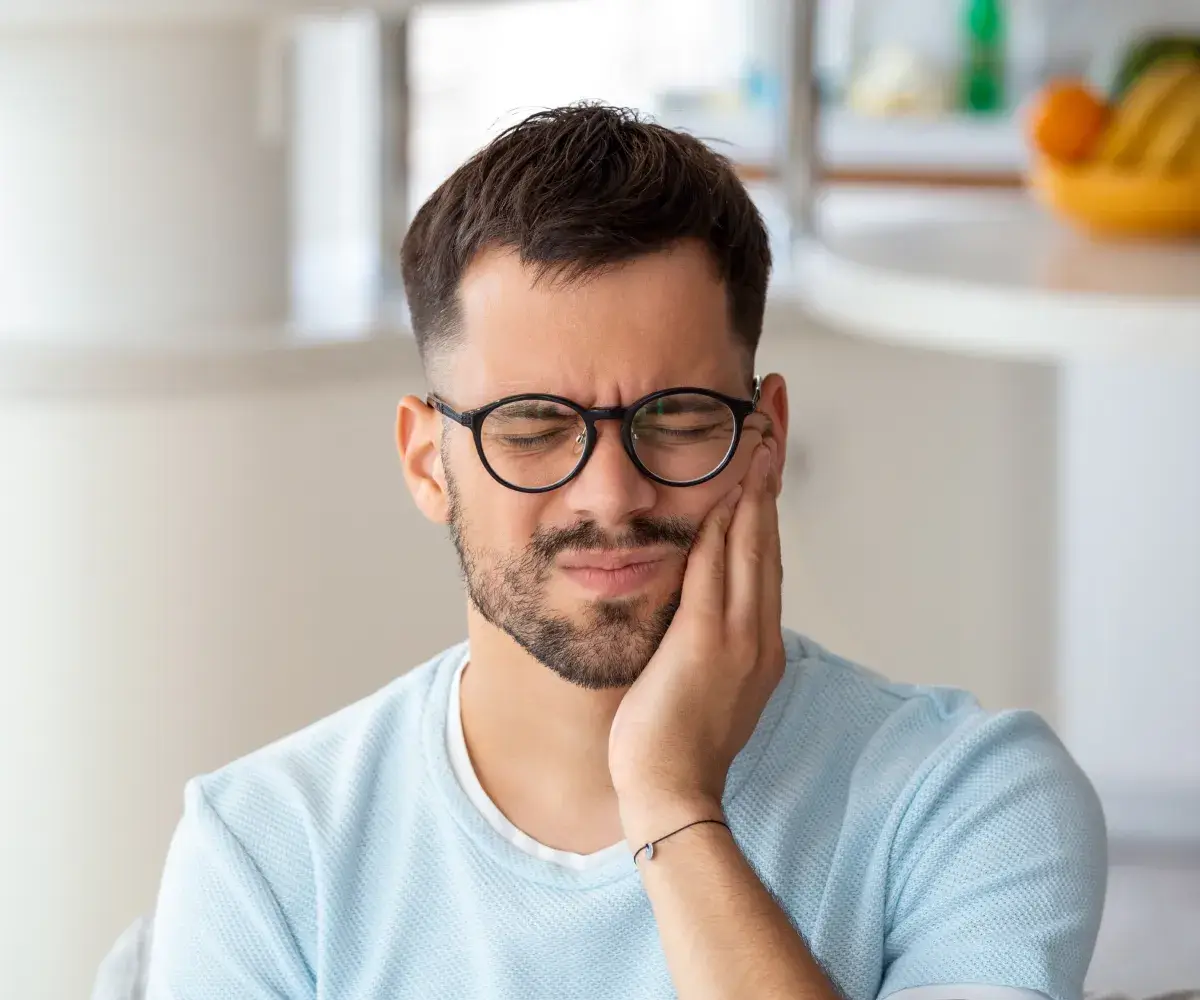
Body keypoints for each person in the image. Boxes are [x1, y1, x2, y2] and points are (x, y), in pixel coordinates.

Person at [145, 104, 1106, 1000]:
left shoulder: (968, 799)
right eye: (531, 426)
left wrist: (669, 799)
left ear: (765, 437)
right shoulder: (266, 853)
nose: (611, 494)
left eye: (679, 418)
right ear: (426, 463)